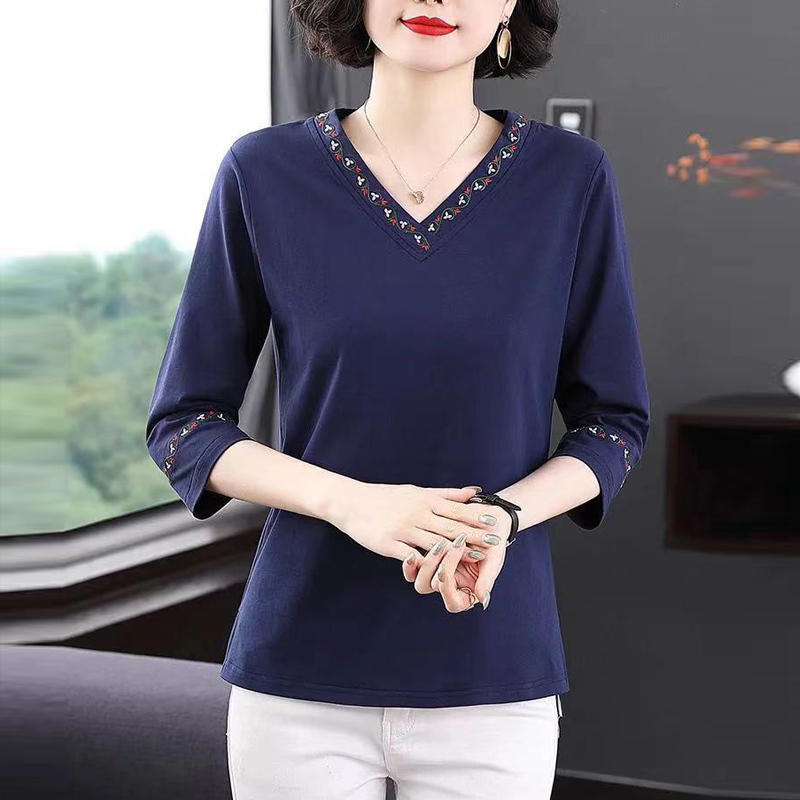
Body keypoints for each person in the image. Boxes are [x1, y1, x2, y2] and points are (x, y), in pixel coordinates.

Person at [145, 0, 650, 797]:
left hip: (493, 667)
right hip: (298, 671)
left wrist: (501, 518)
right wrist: (353, 504)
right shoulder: (263, 171)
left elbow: (613, 425)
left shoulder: (571, 177)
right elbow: (186, 426)